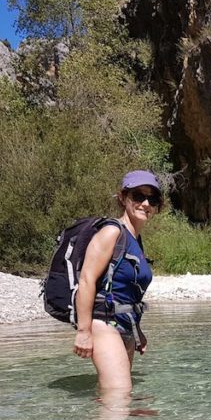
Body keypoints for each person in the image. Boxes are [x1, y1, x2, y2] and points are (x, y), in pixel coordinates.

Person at [73, 170, 160, 396]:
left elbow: (127, 292)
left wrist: (137, 330)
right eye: (139, 196)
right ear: (123, 197)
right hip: (105, 323)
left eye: (153, 199)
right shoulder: (112, 232)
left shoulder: (135, 241)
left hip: (126, 324)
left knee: (115, 398)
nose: (146, 203)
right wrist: (83, 331)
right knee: (119, 396)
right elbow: (87, 279)